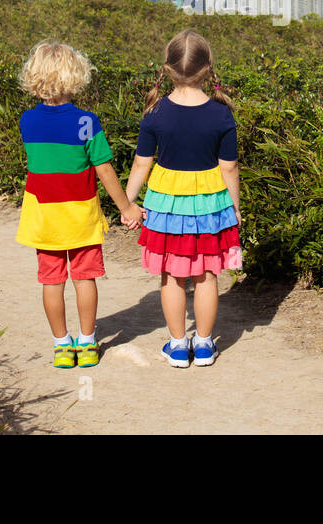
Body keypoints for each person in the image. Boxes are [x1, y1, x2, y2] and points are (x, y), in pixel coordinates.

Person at [16, 41, 142, 368]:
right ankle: (86, 343)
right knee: (84, 279)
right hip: (80, 215)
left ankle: (61, 345)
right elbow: (103, 169)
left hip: (43, 216)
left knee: (51, 281)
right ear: (76, 76)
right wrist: (127, 208)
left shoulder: (28, 121)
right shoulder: (86, 122)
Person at [125, 29, 242, 368]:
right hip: (210, 201)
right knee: (207, 273)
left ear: (166, 69)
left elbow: (141, 162)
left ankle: (178, 345)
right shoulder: (222, 115)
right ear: (208, 69)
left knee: (172, 275)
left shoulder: (155, 112)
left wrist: (129, 203)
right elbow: (229, 167)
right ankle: (204, 345)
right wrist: (234, 207)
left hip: (166, 202)